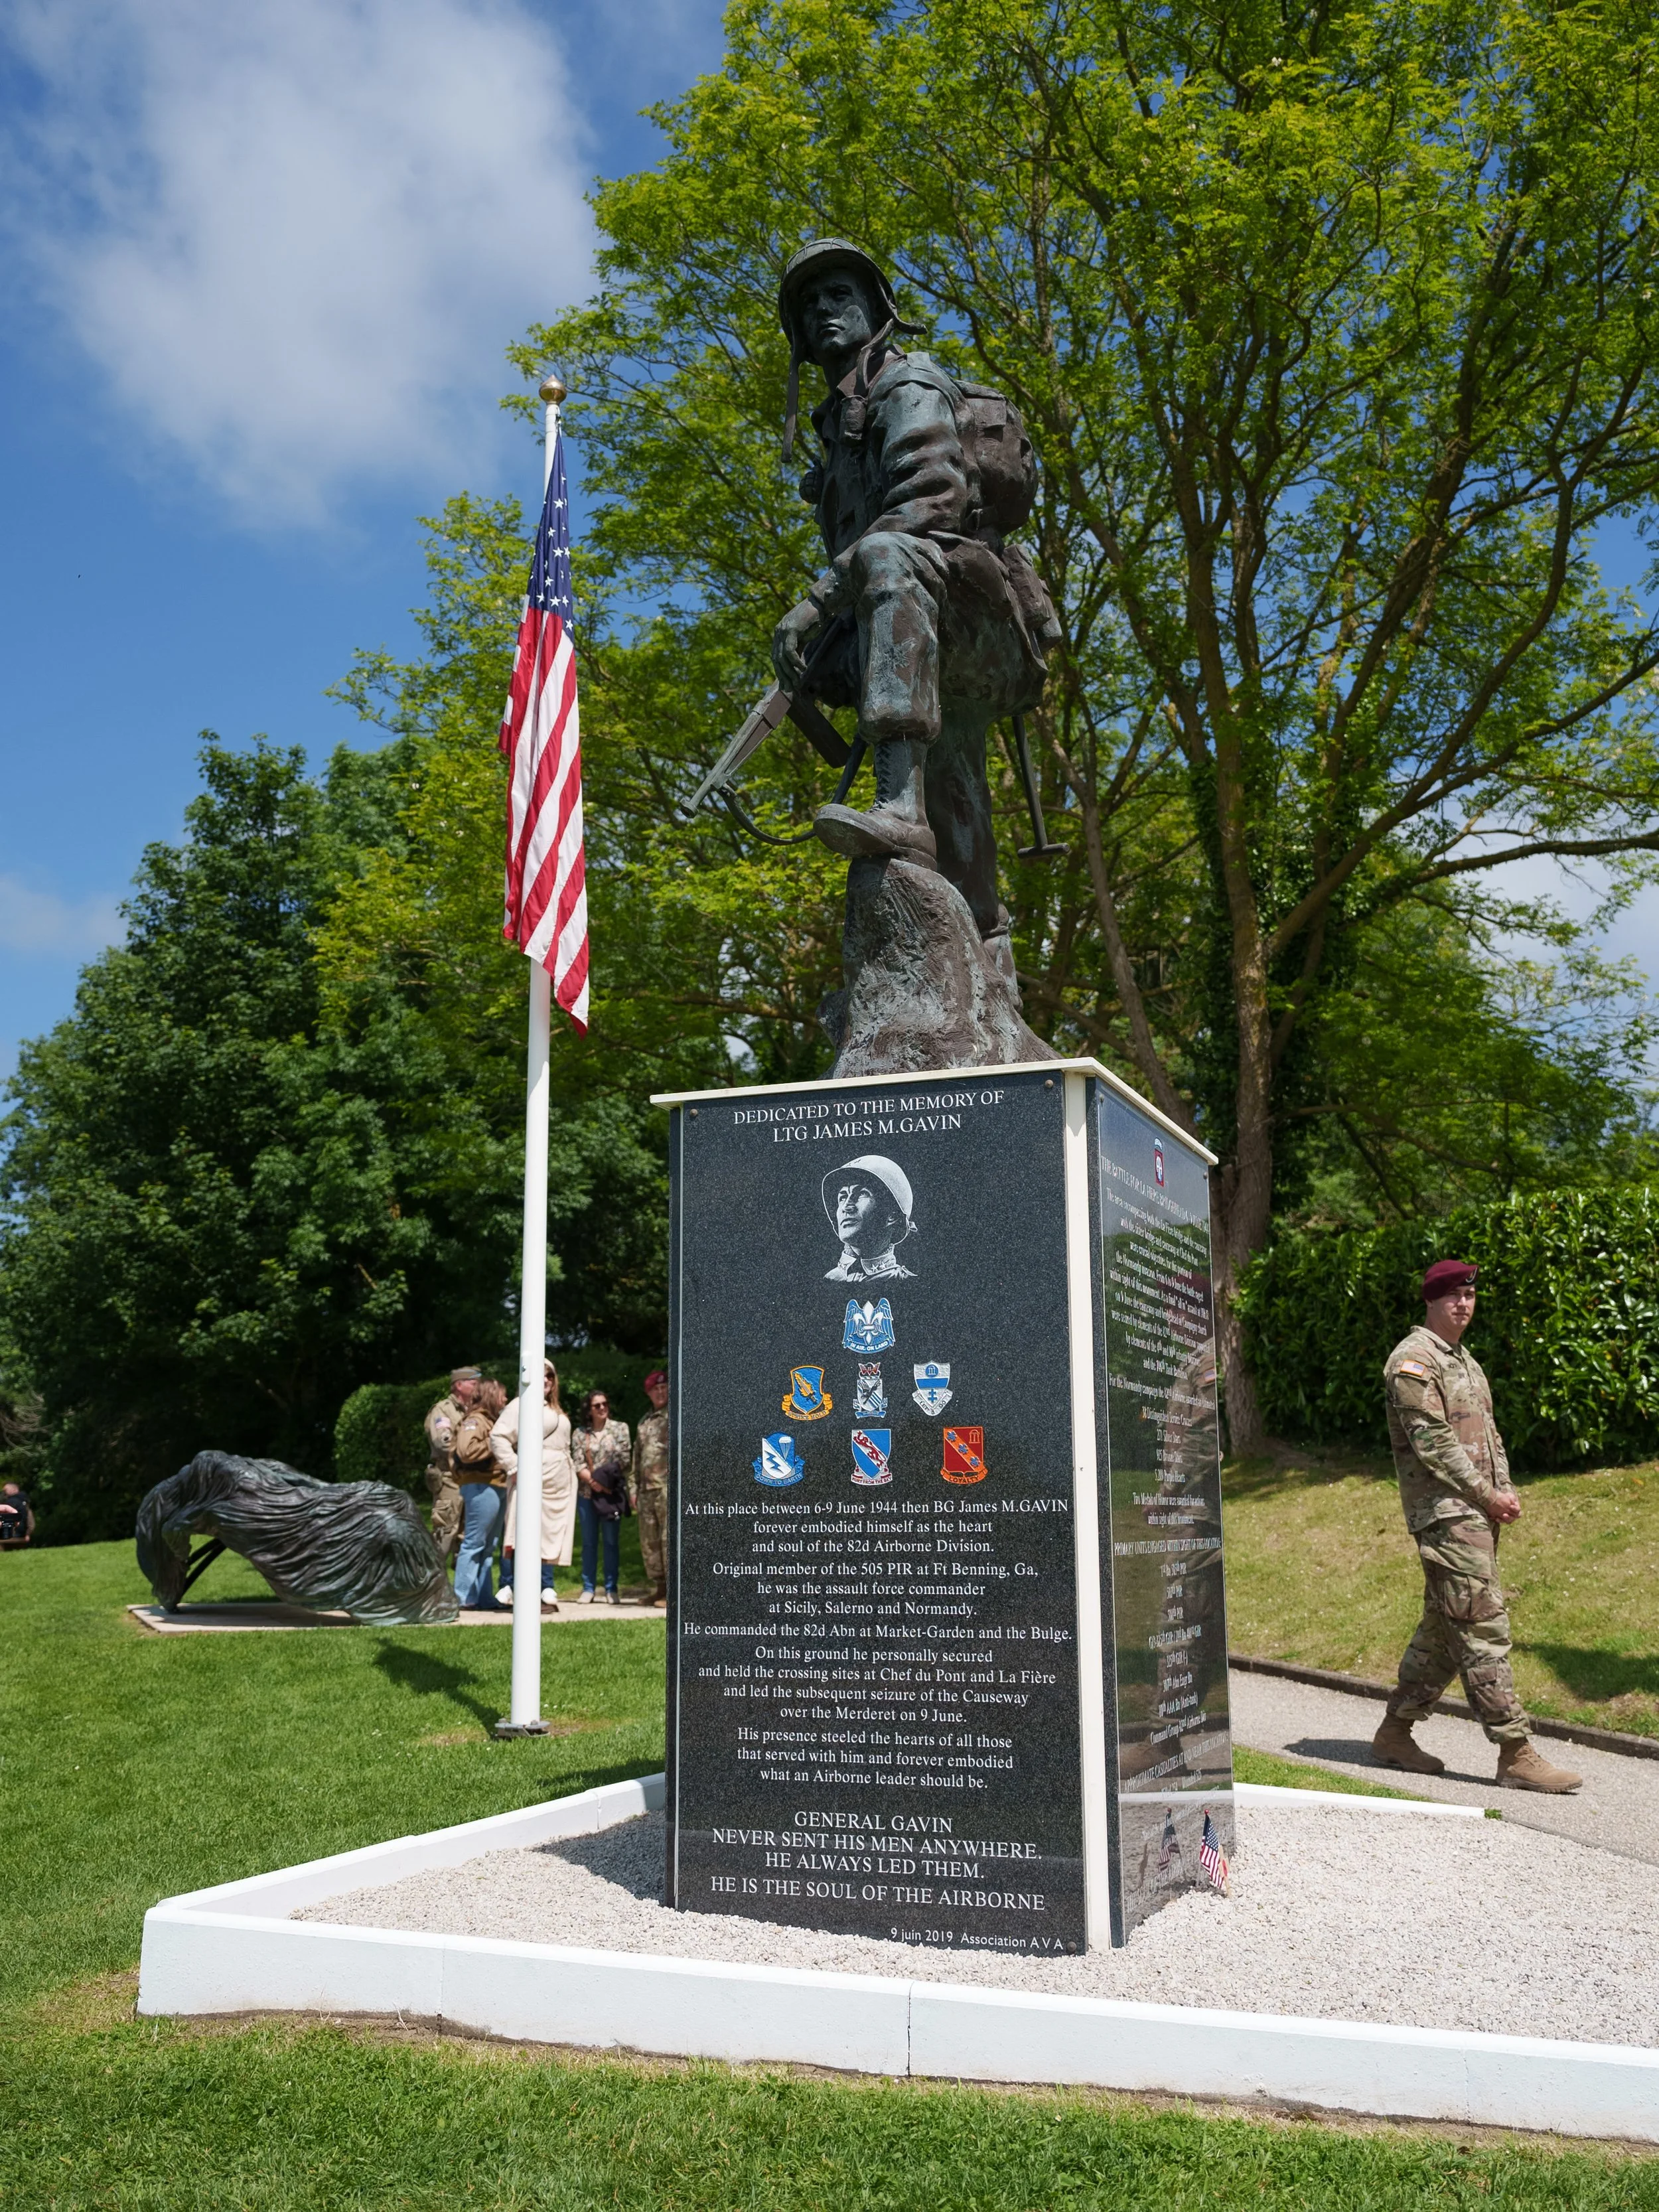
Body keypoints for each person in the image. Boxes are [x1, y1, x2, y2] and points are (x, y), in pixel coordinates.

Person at [770, 238, 1060, 981]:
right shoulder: (838, 428)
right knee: (957, 785)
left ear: (876, 308)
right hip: (928, 629)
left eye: (838, 296)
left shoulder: (908, 387)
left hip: (976, 621)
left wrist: (814, 602)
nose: (823, 313)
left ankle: (896, 801)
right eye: (808, 306)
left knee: (888, 554)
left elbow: (930, 500)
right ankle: (988, 957)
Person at [1374, 1260, 1582, 1794]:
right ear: (1430, 1300)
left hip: (1474, 1513)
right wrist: (1488, 1495)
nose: (1463, 1305)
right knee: (1482, 1624)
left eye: (1469, 1296)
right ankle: (1516, 1751)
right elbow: (1435, 1445)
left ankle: (1394, 1733)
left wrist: (1503, 1492)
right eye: (1452, 1297)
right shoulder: (1414, 1360)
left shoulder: (1464, 1361)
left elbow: (1488, 1436)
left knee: (1445, 1631)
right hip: (1445, 1514)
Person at [494, 1362, 577, 1611]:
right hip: (534, 1480)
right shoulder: (520, 1404)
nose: (547, 1379)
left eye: (550, 1374)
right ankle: (515, 1589)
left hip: (558, 1483)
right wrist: (515, 1467)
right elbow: (498, 1437)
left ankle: (545, 1589)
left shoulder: (556, 1409)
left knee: (549, 1534)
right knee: (522, 1533)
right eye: (541, 1374)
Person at [452, 1378, 509, 1611]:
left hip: (495, 1485)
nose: (505, 1400)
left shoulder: (492, 1420)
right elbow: (466, 1451)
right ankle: (463, 1597)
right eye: (501, 1396)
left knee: (488, 1546)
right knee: (474, 1543)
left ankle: (484, 1597)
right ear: (490, 1397)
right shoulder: (476, 1420)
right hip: (481, 1486)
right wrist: (496, 1442)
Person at [572, 1389, 631, 1605]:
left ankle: (611, 1588)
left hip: (611, 1495)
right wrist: (594, 1481)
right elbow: (577, 1461)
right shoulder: (580, 1433)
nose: (602, 1408)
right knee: (588, 1543)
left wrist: (604, 1480)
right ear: (589, 1409)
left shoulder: (620, 1428)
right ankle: (588, 1588)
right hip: (588, 1494)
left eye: (605, 1403)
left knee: (611, 1542)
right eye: (597, 1405)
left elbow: (625, 1459)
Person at [822, 1155, 917, 1282]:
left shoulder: (905, 1281)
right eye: (843, 1197)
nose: (846, 1207)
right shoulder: (829, 1280)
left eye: (862, 1194)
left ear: (892, 1216)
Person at [423, 1366, 481, 1565]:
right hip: (449, 1480)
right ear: (459, 1385)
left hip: (472, 1478)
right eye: (474, 1383)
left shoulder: (476, 1410)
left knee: (467, 1536)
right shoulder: (443, 1410)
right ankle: (430, 1586)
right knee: (445, 1531)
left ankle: (462, 1591)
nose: (479, 1387)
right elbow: (443, 1442)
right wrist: (475, 1449)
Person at [631, 1370, 670, 1607]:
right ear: (649, 1393)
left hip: (666, 1488)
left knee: (668, 1540)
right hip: (646, 1491)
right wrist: (633, 1488)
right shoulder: (644, 1422)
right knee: (650, 1542)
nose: (660, 1391)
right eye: (655, 1389)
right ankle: (659, 1589)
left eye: (664, 1387)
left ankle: (672, 1593)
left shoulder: (674, 1416)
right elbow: (637, 1457)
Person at [0, 1479, 35, 1548]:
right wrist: (28, 1534)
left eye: (6, 1490)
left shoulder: (11, 1502)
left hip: (10, 1535)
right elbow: (30, 1520)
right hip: (22, 1535)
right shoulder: (25, 1502)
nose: (4, 1492)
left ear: (14, 1490)